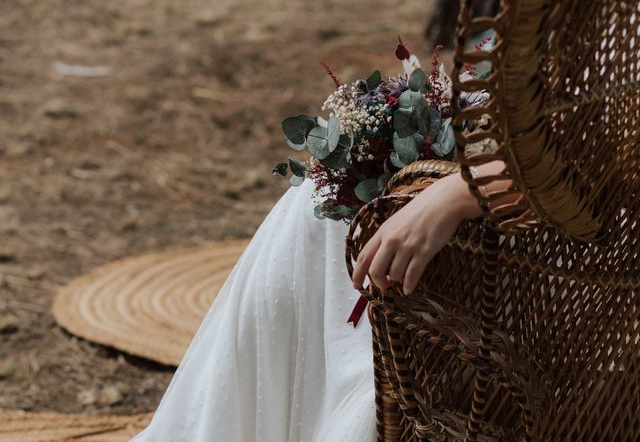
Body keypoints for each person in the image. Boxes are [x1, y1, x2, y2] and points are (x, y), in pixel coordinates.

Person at [130, 154, 508, 441]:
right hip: (470, 169)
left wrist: (455, 193)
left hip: (514, 225)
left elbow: (563, 154)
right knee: (320, 194)